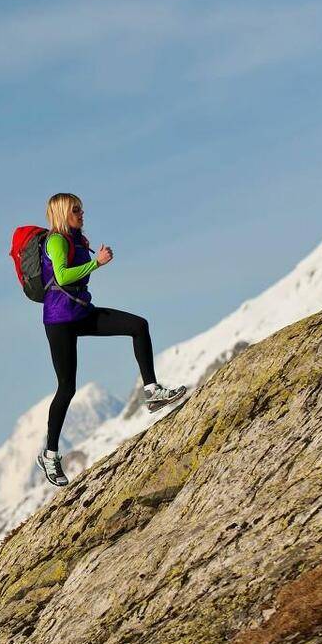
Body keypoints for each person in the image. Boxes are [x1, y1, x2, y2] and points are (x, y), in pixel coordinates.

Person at [36, 193, 186, 487]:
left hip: (81, 313)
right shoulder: (56, 240)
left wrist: (89, 253)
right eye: (76, 210)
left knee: (138, 326)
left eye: (82, 209)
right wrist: (97, 263)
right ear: (63, 212)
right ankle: (50, 455)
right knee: (66, 388)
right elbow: (62, 277)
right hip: (59, 322)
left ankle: (152, 391)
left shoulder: (77, 239)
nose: (82, 213)